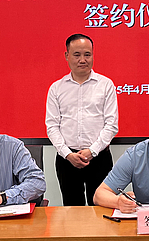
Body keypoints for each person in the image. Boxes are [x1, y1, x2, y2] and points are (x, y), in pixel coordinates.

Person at [45, 34, 118, 206]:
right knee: (72, 209)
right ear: (67, 56)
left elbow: (111, 125)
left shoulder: (106, 85)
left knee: (101, 208)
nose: (83, 60)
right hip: (67, 160)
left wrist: (92, 151)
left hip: (99, 158)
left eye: (87, 54)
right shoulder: (56, 88)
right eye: (77, 55)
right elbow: (52, 126)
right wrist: (67, 154)